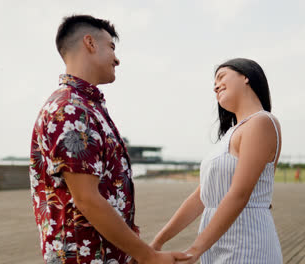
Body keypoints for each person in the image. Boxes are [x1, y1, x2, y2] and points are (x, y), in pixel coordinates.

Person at [29, 15, 190, 264]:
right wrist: (148, 256)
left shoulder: (85, 106)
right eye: (111, 47)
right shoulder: (70, 109)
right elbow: (87, 199)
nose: (117, 58)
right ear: (90, 43)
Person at [150, 58, 283, 263]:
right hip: (216, 242)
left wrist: (195, 250)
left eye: (221, 77)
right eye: (214, 83)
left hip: (248, 242)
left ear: (246, 76)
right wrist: (158, 242)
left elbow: (239, 194)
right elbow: (201, 197)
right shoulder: (232, 133)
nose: (215, 86)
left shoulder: (261, 122)